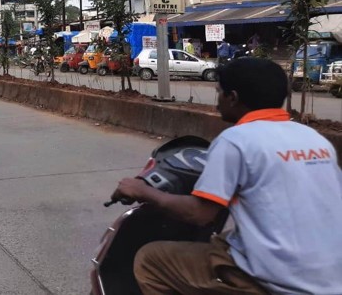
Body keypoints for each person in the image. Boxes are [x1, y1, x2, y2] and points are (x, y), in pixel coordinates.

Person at [112, 57, 342, 294]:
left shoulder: (235, 140)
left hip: (282, 280)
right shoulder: (314, 139)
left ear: (232, 97)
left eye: (219, 92)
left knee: (150, 260)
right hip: (332, 275)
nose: (217, 101)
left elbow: (200, 214)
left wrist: (143, 191)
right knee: (225, 239)